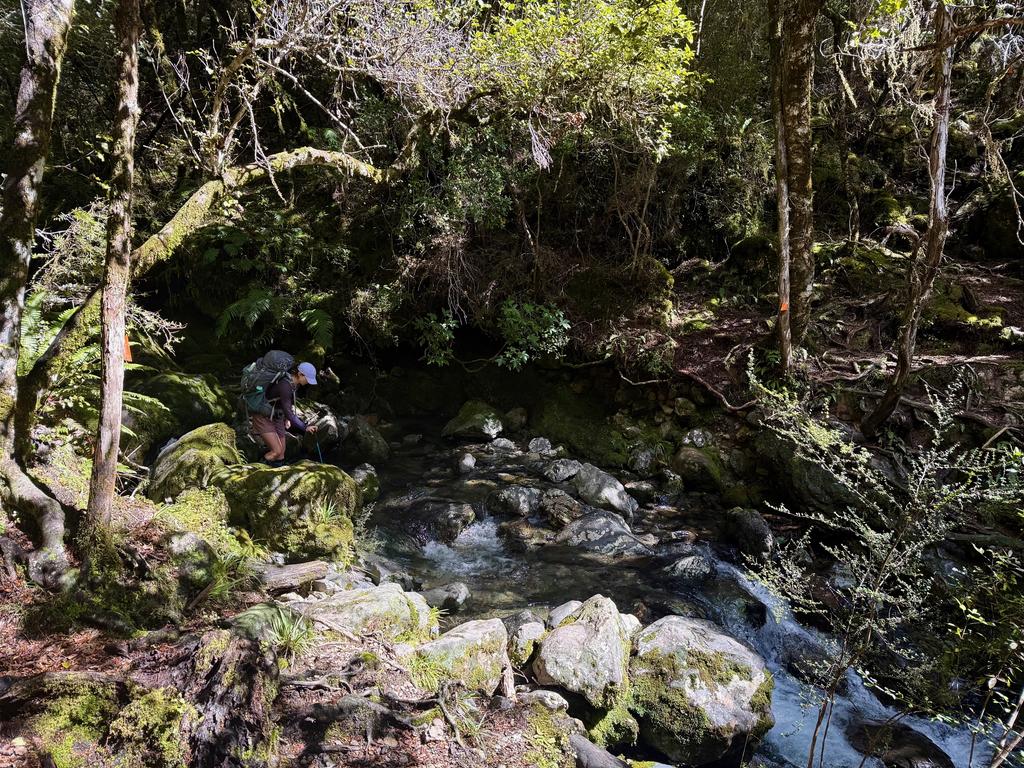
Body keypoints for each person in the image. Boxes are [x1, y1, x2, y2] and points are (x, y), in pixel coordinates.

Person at [251, 361, 319, 465]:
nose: (309, 382)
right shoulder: (285, 386)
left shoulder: (294, 384)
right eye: (308, 379)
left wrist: (287, 419)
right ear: (300, 374)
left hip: (276, 414)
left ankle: (277, 474)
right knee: (276, 451)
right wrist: (305, 427)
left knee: (281, 454)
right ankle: (256, 472)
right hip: (262, 415)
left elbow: (286, 403)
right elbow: (289, 412)